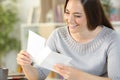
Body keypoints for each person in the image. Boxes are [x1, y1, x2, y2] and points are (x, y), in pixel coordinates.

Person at [17, 0, 120, 80]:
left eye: (77, 15)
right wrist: (25, 65)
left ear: (92, 16)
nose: (69, 20)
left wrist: (79, 76)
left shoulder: (111, 38)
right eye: (67, 12)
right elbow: (38, 76)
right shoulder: (58, 36)